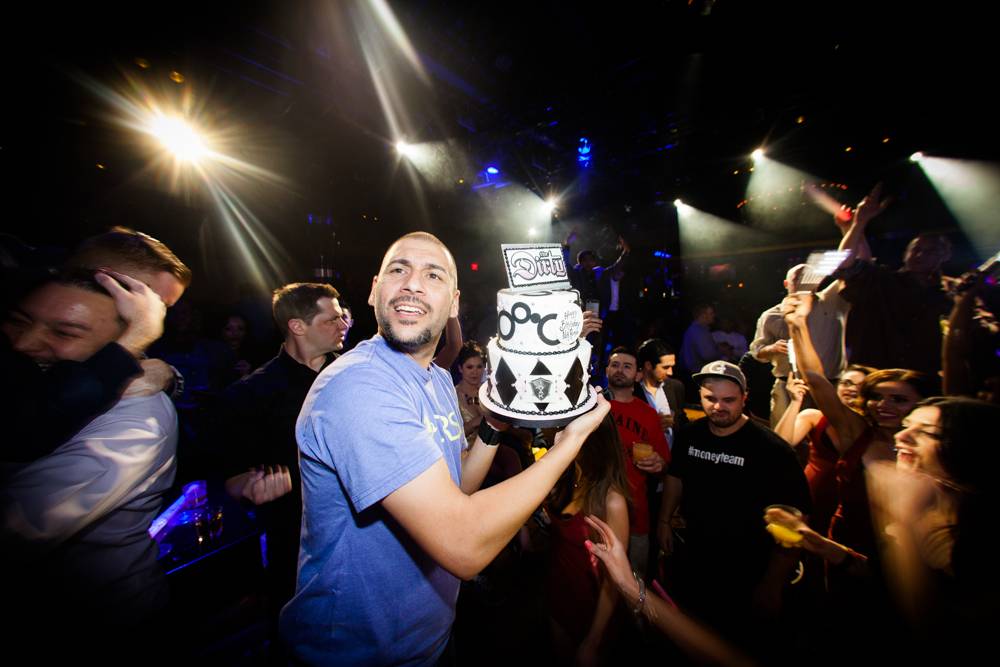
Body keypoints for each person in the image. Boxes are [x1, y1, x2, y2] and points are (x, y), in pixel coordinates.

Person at [280, 231, 609, 665]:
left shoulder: (436, 379)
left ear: (453, 304)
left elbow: (457, 486)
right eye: (399, 270)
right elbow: (463, 544)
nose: (413, 284)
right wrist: (570, 442)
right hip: (354, 653)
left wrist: (492, 424)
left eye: (433, 275)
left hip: (429, 639)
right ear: (375, 291)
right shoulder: (358, 387)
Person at [1, 272, 177, 658]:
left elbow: (16, 528)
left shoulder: (135, 416)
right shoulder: (24, 384)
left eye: (64, 333)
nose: (24, 343)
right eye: (17, 321)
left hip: (99, 625)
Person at [218, 282, 350, 644]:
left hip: (357, 530)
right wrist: (248, 487)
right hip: (295, 537)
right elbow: (231, 476)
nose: (343, 324)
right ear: (297, 326)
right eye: (332, 319)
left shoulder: (355, 377)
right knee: (301, 630)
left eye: (342, 316)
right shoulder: (253, 393)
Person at [660, 360, 811, 654]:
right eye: (710, 398)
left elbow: (798, 518)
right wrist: (664, 521)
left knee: (738, 644)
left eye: (728, 400)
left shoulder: (773, 450)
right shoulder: (690, 435)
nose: (718, 407)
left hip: (748, 568)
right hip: (696, 559)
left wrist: (773, 583)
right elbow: (676, 476)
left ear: (744, 397)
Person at [543, 414, 630, 665]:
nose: (557, 434)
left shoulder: (612, 501)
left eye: (565, 428)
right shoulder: (566, 475)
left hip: (591, 606)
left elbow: (614, 581)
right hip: (557, 592)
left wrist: (593, 640)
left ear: (593, 438)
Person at [774, 364, 874, 532]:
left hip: (850, 508)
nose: (851, 389)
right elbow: (780, 445)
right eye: (846, 383)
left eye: (860, 385)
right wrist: (795, 402)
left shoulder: (874, 428)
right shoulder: (813, 416)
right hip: (810, 498)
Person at [750, 263, 849, 426]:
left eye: (807, 276)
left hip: (829, 387)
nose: (802, 281)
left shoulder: (831, 302)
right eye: (797, 278)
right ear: (786, 283)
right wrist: (772, 348)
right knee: (783, 437)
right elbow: (757, 351)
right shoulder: (771, 315)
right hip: (788, 387)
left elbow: (853, 270)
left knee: (830, 436)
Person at [604, 346, 669, 579]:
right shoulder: (592, 407)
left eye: (627, 366)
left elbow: (664, 463)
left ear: (638, 375)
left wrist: (658, 464)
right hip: (594, 509)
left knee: (634, 580)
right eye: (615, 365)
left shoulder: (648, 414)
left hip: (636, 513)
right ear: (606, 370)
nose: (620, 370)